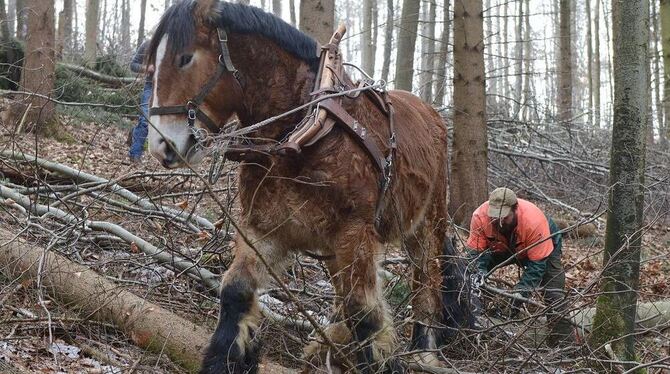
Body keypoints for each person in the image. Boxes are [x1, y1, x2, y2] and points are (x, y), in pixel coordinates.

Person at [465, 187, 573, 345]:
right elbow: (475, 256)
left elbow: (537, 267)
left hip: (541, 248)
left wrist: (521, 292)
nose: (499, 223)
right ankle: (475, 321)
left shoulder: (534, 222)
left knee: (554, 292)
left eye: (504, 218)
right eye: (495, 218)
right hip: (501, 247)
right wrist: (478, 277)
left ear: (515, 209)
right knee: (471, 278)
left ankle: (564, 342)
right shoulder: (480, 217)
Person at [128, 40, 154, 162]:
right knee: (145, 121)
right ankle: (135, 155)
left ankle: (134, 133)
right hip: (150, 86)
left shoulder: (176, 45)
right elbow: (133, 65)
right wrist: (146, 68)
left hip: (169, 89)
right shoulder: (148, 44)